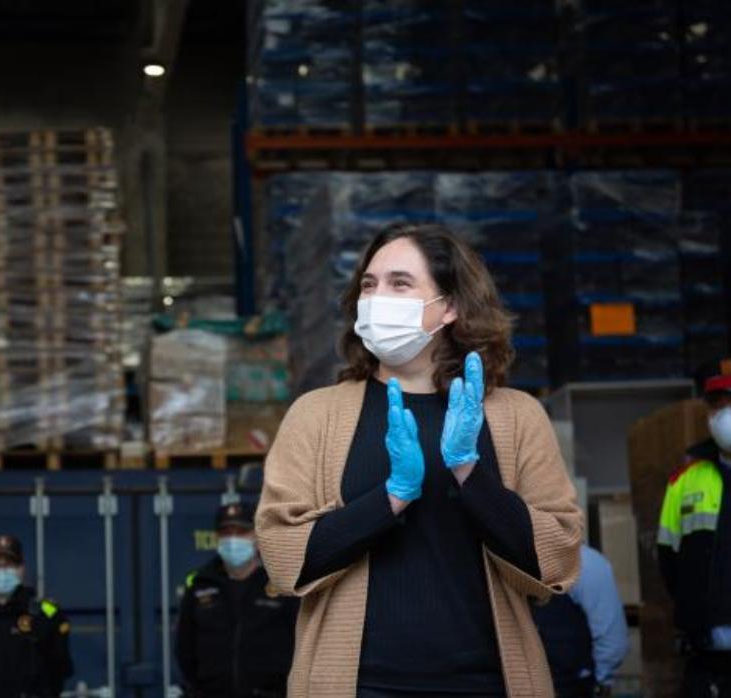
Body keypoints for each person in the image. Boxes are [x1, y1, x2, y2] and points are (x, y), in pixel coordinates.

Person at [256, 222, 584, 697]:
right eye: (369, 285)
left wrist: (471, 474)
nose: (376, 297)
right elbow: (283, 560)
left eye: (399, 283)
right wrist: (390, 497)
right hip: (360, 686)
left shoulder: (515, 417)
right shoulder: (316, 415)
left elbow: (557, 561)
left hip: (487, 684)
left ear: (450, 306)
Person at [657, 355, 731, 697]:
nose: (727, 416)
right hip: (706, 667)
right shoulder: (684, 482)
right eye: (717, 405)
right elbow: (670, 565)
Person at [175, 502, 298, 698]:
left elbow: (300, 645)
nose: (233, 539)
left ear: (256, 537)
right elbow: (185, 650)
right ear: (217, 538)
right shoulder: (200, 586)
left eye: (241, 532)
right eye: (226, 532)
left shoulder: (281, 586)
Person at [0, 534, 73, 698]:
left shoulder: (46, 615)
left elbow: (60, 670)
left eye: (9, 564)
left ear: (22, 569)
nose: (2, 571)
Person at [531, 545, 629, 698]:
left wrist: (601, 681)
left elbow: (612, 638)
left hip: (572, 683)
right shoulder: (515, 560)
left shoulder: (584, 562)